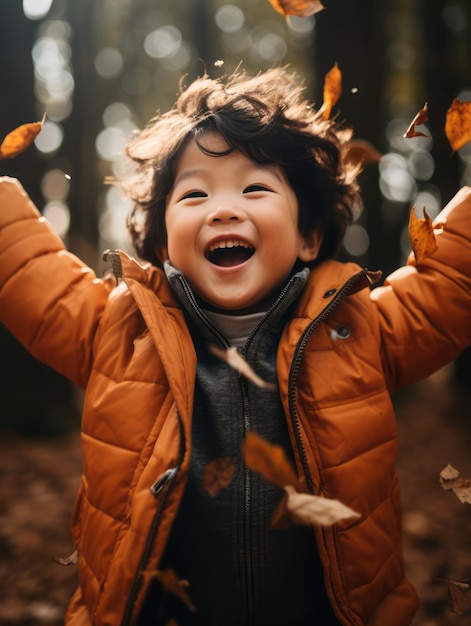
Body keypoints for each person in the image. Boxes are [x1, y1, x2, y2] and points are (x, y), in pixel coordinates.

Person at [0, 67, 470, 626]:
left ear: (308, 237)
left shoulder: (356, 330)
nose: (222, 208)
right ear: (164, 245)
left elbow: (448, 283)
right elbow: (30, 273)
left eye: (255, 188)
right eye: (194, 193)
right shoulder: (120, 332)